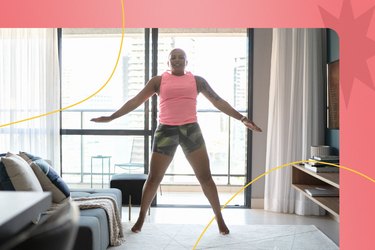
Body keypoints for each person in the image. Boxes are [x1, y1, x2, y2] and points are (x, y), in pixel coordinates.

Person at [91, 48, 262, 235]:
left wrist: (242, 118)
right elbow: (136, 100)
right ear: (168, 62)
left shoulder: (197, 81)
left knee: (205, 177)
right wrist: (111, 117)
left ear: (187, 62)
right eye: (173, 57)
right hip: (166, 131)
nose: (177, 60)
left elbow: (218, 101)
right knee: (154, 178)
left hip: (191, 131)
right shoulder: (158, 81)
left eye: (181, 57)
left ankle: (220, 219)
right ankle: (141, 219)